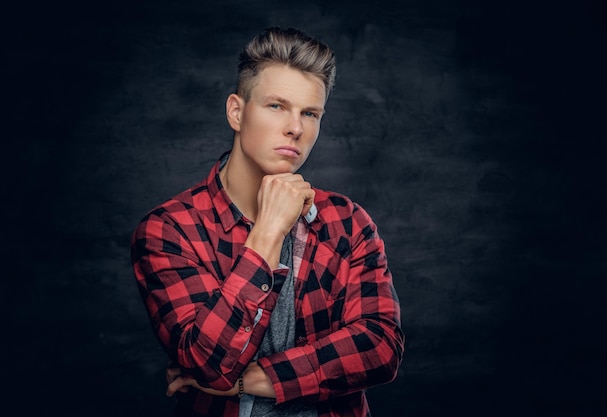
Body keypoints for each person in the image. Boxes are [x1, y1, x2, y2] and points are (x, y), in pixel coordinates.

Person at [131, 26, 405, 417]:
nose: (296, 127)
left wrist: (252, 381)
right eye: (277, 106)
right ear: (237, 112)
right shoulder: (169, 230)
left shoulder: (347, 221)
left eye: (310, 113)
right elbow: (207, 362)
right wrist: (268, 230)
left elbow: (380, 348)